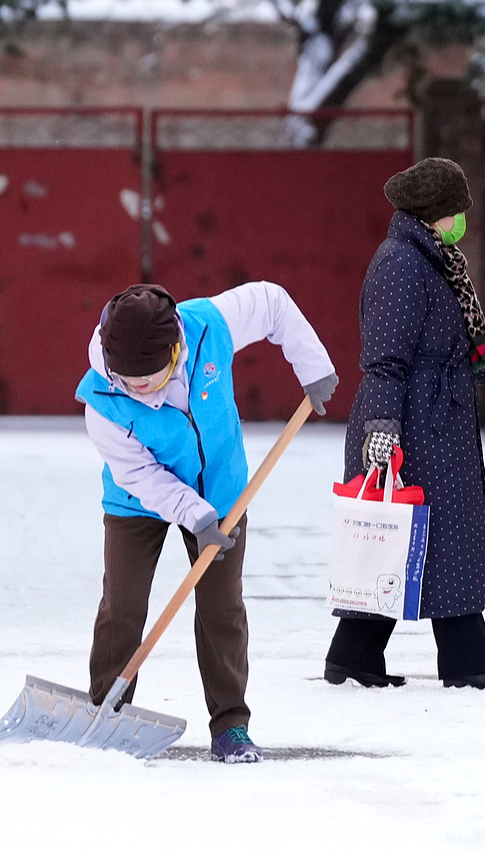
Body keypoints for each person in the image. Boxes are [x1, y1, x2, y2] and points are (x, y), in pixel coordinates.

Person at [80, 281, 337, 763]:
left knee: (222, 607)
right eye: (127, 381)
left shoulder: (208, 326)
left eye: (148, 379)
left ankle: (231, 726)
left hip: (221, 490)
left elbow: (273, 302)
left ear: (175, 349)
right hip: (137, 500)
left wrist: (312, 365)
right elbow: (140, 475)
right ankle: (106, 712)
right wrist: (192, 515)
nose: (137, 390)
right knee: (124, 604)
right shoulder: (102, 398)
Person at [325, 157, 485, 691]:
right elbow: (385, 358)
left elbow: (463, 345)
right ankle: (467, 662)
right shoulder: (400, 263)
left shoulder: (438, 261)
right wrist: (381, 428)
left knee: (412, 538)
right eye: (456, 211)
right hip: (411, 425)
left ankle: (355, 657)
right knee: (420, 535)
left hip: (436, 419)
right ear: (435, 214)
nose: (463, 219)